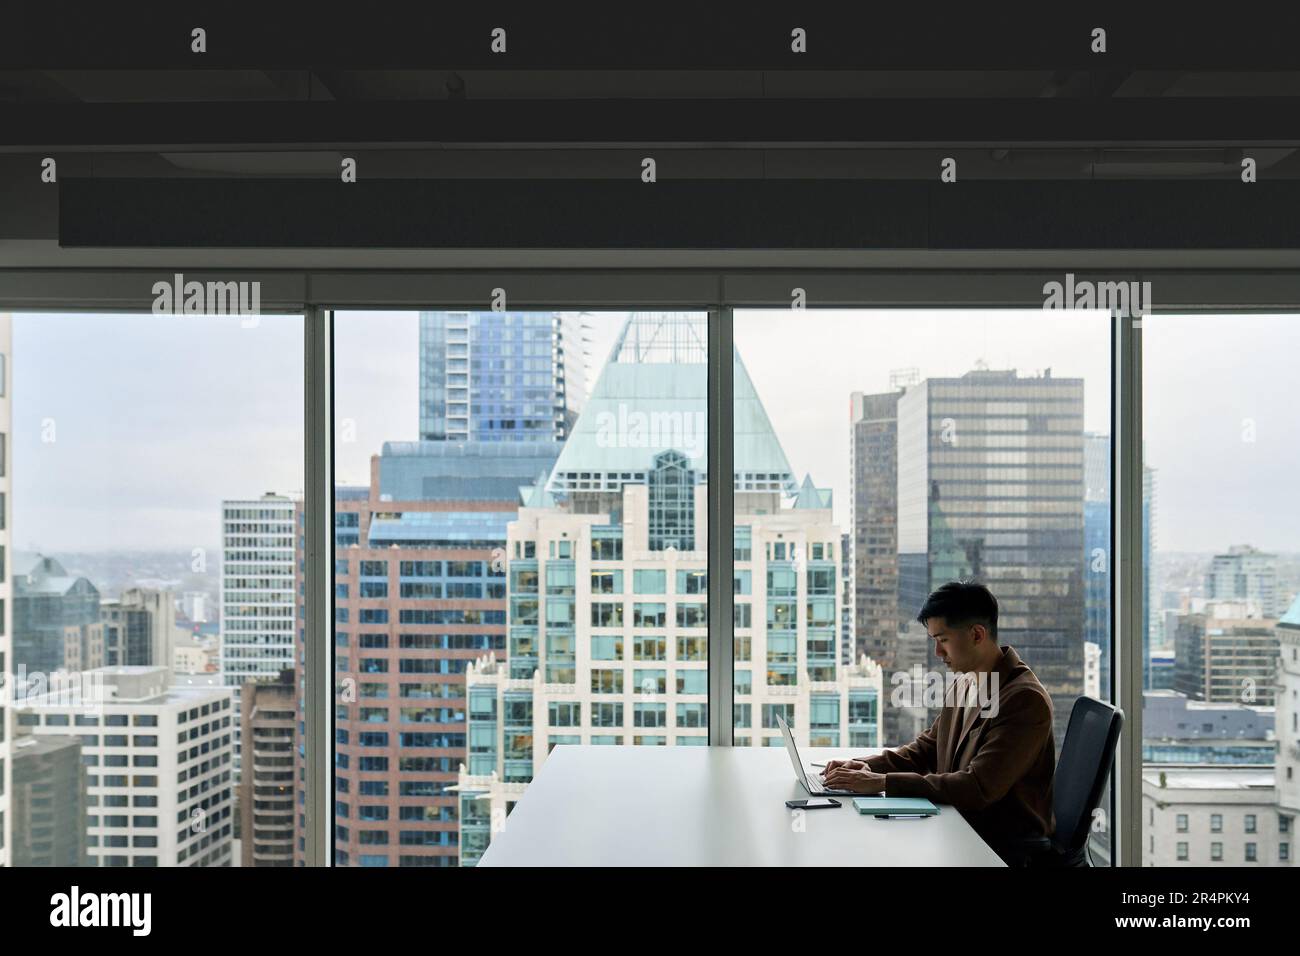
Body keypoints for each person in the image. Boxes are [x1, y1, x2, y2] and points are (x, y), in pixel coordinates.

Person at [823, 580, 1056, 865]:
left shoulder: (1023, 700)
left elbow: (977, 787)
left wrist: (881, 782)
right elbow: (928, 748)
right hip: (960, 826)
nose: (937, 653)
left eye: (943, 640)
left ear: (977, 634)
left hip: (1000, 847)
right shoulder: (966, 682)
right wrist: (865, 767)